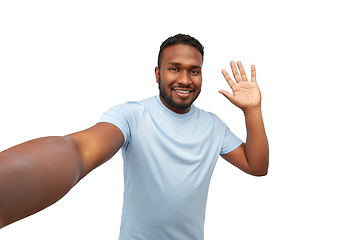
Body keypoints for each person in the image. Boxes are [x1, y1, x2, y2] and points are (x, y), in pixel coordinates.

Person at [0, 34, 269, 239]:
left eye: (194, 70)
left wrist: (253, 110)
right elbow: (80, 150)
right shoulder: (133, 115)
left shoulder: (213, 125)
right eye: (174, 68)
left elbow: (256, 166)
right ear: (157, 74)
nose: (185, 79)